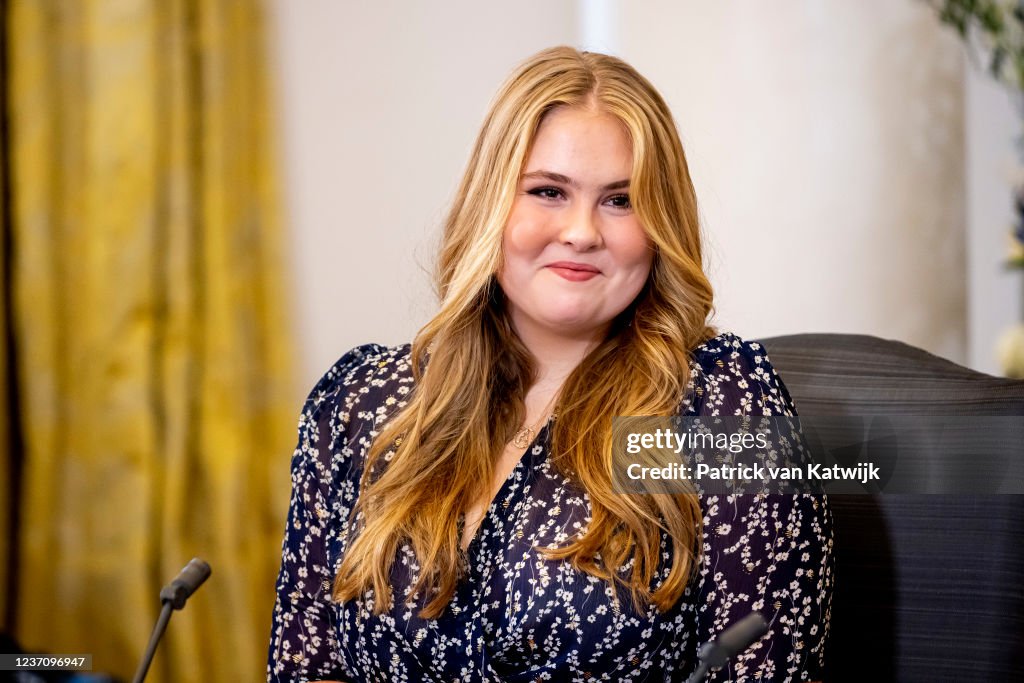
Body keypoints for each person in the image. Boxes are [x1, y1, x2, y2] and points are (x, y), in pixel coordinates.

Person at [267, 46, 833, 682]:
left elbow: (764, 669)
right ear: (492, 206)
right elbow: (306, 658)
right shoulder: (363, 401)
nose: (582, 231)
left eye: (621, 201)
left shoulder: (723, 403)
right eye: (547, 192)